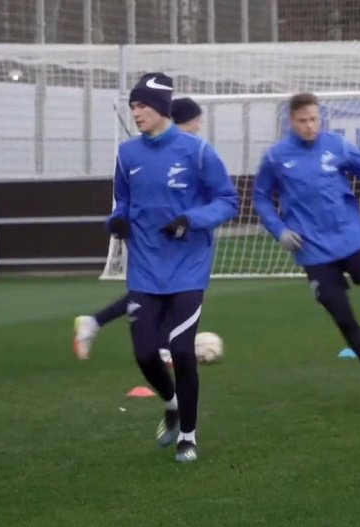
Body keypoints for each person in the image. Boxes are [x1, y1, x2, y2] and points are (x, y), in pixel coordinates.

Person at [253, 92, 360, 376]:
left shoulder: (336, 145)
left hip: (350, 238)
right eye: (303, 120)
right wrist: (279, 230)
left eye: (314, 119)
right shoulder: (276, 157)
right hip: (312, 250)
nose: (310, 126)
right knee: (341, 314)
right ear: (291, 121)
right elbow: (261, 198)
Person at [109, 73, 238, 462]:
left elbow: (228, 201)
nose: (136, 113)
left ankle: (189, 435)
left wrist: (190, 219)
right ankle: (170, 402)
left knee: (181, 350)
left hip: (188, 268)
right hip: (145, 270)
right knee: (146, 354)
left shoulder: (198, 152)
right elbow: (121, 203)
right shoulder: (126, 154)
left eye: (142, 106)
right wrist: (116, 220)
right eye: (133, 107)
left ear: (162, 109)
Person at [73, 96, 205, 364]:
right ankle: (157, 345)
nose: (199, 126)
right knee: (161, 291)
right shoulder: (152, 152)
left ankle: (97, 323)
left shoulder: (187, 152)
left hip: (165, 235)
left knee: (158, 292)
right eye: (196, 121)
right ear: (185, 121)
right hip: (156, 236)